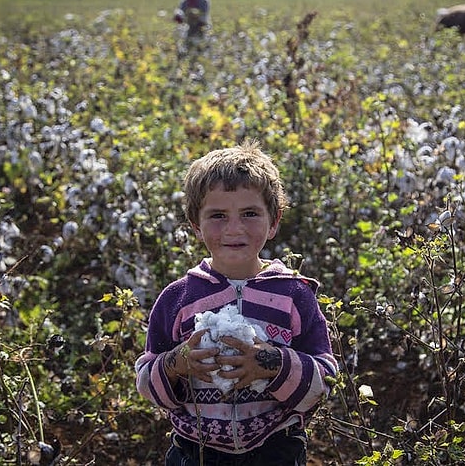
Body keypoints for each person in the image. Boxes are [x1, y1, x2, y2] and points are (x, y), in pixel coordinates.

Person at [135, 140, 338, 465]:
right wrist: (177, 364)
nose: (234, 228)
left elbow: (326, 377)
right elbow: (147, 381)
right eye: (217, 215)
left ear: (273, 222)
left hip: (276, 449)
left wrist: (272, 363)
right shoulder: (178, 299)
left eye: (250, 213)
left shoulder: (293, 295)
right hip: (194, 451)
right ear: (195, 225)